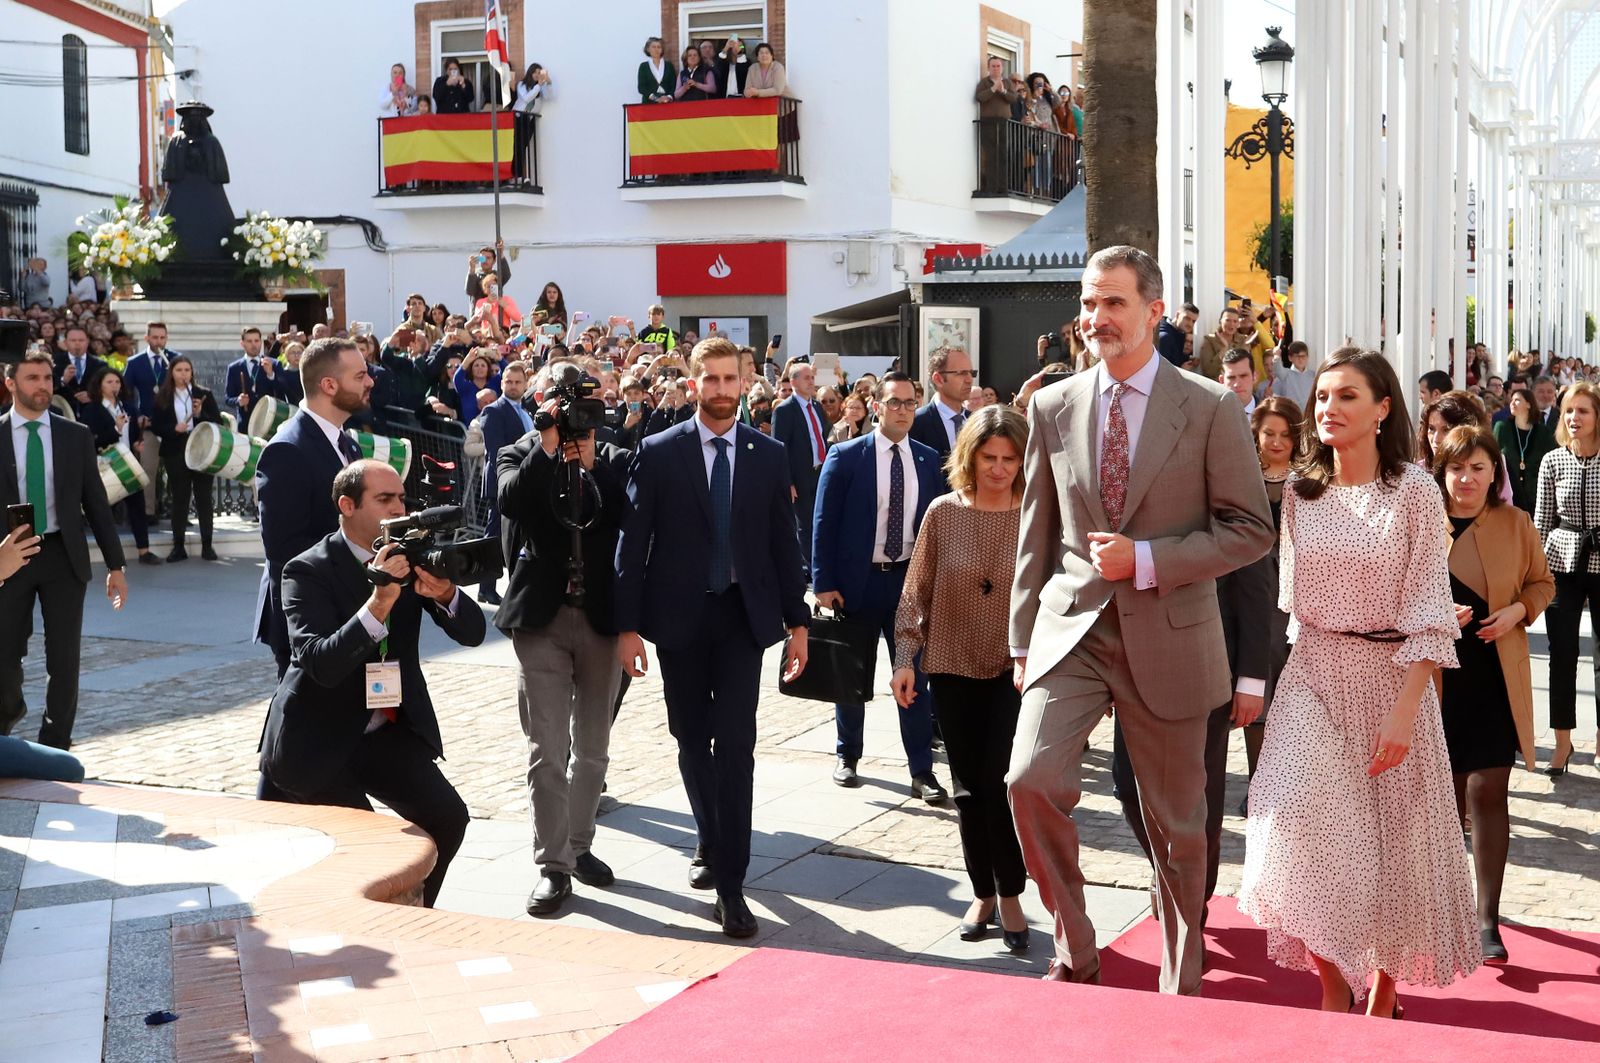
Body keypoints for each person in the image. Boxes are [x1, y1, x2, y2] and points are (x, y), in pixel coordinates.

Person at [1007, 245, 1274, 994]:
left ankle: (1180, 981)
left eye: (1113, 303)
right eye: (1089, 303)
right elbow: (1036, 532)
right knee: (1029, 778)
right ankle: (1076, 943)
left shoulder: (1211, 405)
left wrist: (1148, 559)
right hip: (1073, 630)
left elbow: (1251, 528)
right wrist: (1023, 641)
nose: (1096, 318)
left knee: (1180, 828)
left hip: (1173, 632)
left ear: (1155, 312)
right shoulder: (1054, 406)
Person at [1239, 346, 1480, 1019]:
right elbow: (1293, 607)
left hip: (1392, 677)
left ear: (1381, 409)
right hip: (1312, 673)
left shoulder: (1414, 492)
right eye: (1322, 396)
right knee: (1292, 819)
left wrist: (1406, 711)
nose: (1328, 409)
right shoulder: (1299, 494)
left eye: (1346, 396)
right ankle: (1330, 977)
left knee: (1391, 840)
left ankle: (1384, 986)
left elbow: (1431, 610)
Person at [615, 337, 809, 939]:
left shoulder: (768, 455)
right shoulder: (659, 451)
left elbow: (784, 544)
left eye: (732, 379)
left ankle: (731, 882)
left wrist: (797, 622)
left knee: (738, 744)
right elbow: (632, 544)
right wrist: (626, 628)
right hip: (679, 619)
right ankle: (709, 833)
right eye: (712, 380)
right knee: (691, 738)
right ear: (693, 382)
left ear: (746, 381)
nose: (723, 390)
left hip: (741, 620)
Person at [258, 460, 484, 907]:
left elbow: (473, 632)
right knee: (369, 851)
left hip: (383, 730)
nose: (398, 509)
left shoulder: (409, 555)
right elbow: (320, 662)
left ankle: (415, 912)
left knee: (448, 818)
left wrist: (443, 594)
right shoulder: (306, 570)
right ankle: (373, 928)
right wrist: (379, 603)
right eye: (385, 500)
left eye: (401, 498)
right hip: (316, 739)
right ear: (347, 505)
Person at [893, 404, 1031, 953]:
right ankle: (984, 892)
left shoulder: (1037, 514)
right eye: (988, 457)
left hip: (1014, 668)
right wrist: (906, 657)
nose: (998, 468)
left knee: (1002, 782)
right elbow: (915, 591)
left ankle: (1013, 893)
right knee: (968, 790)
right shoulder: (943, 513)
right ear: (969, 456)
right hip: (950, 663)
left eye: (1009, 458)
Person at [496, 372, 630, 915]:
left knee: (593, 750)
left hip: (600, 619)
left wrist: (592, 460)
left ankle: (579, 845)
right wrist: (549, 446)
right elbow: (510, 502)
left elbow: (633, 518)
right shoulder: (518, 451)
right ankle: (553, 864)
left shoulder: (615, 455)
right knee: (547, 750)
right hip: (542, 620)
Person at [1434, 425, 1553, 964]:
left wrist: (1518, 611)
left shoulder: (1515, 523)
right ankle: (1438, 906)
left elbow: (1542, 583)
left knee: (1488, 791)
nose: (1467, 478)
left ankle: (1487, 918)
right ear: (1442, 471)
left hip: (1494, 674)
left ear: (1494, 474)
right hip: (1432, 678)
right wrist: (1436, 615)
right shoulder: (1418, 521)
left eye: (1478, 468)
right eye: (1457, 468)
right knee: (1444, 798)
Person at [812, 372, 947, 801]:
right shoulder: (847, 455)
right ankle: (847, 754)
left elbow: (939, 526)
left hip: (909, 584)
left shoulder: (928, 459)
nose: (903, 410)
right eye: (894, 402)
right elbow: (823, 521)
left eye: (909, 403)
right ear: (876, 406)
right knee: (851, 673)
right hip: (857, 583)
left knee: (914, 678)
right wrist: (823, 581)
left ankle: (922, 771)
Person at [0, 351, 129, 750]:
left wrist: (116, 565)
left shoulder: (75, 435)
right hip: (11, 554)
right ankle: (6, 727)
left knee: (64, 659)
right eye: (32, 378)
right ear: (10, 384)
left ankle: (56, 742)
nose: (42, 386)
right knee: (4, 656)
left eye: (47, 378)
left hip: (63, 555)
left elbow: (95, 501)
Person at [255, 338, 374, 680]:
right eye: (360, 375)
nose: (370, 382)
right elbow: (284, 549)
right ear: (329, 385)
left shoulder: (346, 442)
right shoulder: (287, 450)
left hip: (348, 616)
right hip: (311, 622)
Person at [1533, 380, 1600, 776]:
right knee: (1561, 654)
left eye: (1584, 411)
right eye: (1569, 411)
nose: (1575, 418)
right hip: (1562, 562)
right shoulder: (1552, 462)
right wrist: (1535, 574)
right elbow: (1542, 522)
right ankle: (1562, 741)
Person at [1241, 397, 1302, 783]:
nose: (1277, 442)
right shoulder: (1243, 475)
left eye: (1285, 434)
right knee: (1256, 689)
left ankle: (1294, 784)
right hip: (1253, 594)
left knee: (1294, 692)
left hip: (1300, 593)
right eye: (1269, 433)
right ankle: (1258, 782)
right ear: (1257, 434)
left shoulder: (1311, 479)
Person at [80, 367, 158, 566]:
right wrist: (116, 428)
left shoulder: (128, 407)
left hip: (128, 464)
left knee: (137, 507)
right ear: (99, 386)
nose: (114, 386)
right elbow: (92, 439)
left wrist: (135, 444)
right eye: (109, 382)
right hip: (105, 465)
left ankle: (144, 550)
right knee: (103, 512)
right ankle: (110, 557)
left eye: (117, 382)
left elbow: (130, 435)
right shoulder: (93, 410)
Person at [148, 355, 221, 562]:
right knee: (180, 499)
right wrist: (173, 429)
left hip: (201, 451)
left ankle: (207, 545)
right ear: (172, 372)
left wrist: (199, 415)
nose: (183, 374)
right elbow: (156, 425)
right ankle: (178, 546)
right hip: (175, 451)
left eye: (187, 370)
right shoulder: (163, 396)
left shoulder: (203, 394)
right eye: (179, 370)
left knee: (204, 498)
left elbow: (216, 421)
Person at [475, 361, 534, 606]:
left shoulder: (527, 411)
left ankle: (518, 588)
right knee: (495, 536)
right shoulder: (493, 411)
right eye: (508, 382)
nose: (512, 386)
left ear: (525, 384)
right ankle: (486, 587)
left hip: (524, 484)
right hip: (502, 482)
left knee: (517, 537)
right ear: (501, 384)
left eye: (517, 382)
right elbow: (497, 450)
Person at [771, 359, 829, 569]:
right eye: (806, 378)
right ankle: (811, 568)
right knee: (805, 525)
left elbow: (823, 436)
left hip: (821, 472)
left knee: (822, 521)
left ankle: (821, 563)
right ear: (793, 382)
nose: (811, 382)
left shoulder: (816, 407)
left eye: (812, 378)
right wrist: (788, 482)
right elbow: (780, 447)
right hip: (800, 476)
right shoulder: (785, 410)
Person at [1493, 386, 1556, 516]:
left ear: (1528, 404)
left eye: (1517, 400)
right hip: (1509, 495)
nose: (1512, 403)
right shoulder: (1502, 428)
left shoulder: (1543, 432)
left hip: (1536, 496)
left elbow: (1553, 462)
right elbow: (1494, 458)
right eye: (1511, 400)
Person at [909, 347, 975, 464]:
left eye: (971, 373)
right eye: (962, 373)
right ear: (938, 379)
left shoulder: (975, 421)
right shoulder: (916, 423)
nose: (969, 379)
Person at [975, 57, 1020, 194]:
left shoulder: (1007, 82)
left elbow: (1013, 98)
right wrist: (993, 89)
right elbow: (980, 97)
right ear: (989, 68)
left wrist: (1003, 91)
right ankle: (991, 187)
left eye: (998, 66)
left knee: (1003, 154)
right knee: (990, 155)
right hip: (988, 123)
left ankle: (1003, 187)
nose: (996, 68)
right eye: (993, 66)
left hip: (1004, 122)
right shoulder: (984, 82)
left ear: (1002, 68)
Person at [223, 327, 282, 429]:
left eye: (256, 341)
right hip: (245, 425)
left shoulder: (274, 364)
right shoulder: (234, 368)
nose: (254, 344)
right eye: (249, 341)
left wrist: (271, 375)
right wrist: (238, 401)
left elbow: (281, 393)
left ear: (261, 342)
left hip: (269, 424)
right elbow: (228, 399)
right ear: (242, 343)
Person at [53, 325, 106, 416]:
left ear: (87, 342)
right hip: (63, 414)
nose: (77, 343)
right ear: (65, 342)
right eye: (73, 340)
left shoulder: (100, 364)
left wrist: (92, 395)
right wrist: (63, 380)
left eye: (81, 340)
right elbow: (49, 388)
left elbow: (107, 389)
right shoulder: (54, 362)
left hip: (92, 414)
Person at [1195, 307, 1241, 383]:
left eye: (1235, 321)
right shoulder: (1210, 340)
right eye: (1227, 320)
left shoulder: (1243, 340)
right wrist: (1224, 349)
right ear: (1220, 321)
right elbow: (1208, 371)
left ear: (1238, 324)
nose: (1231, 324)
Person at [1269, 340, 1315, 412]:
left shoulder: (1312, 375)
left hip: (1308, 416)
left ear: (1307, 357)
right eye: (1297, 356)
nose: (1300, 359)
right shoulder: (1286, 374)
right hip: (1292, 415)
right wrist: (1276, 356)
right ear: (1290, 358)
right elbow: (1277, 369)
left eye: (1303, 356)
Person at [1220, 348, 1258, 415]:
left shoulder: (1270, 415)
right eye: (1231, 377)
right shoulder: (1211, 417)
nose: (1237, 384)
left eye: (1243, 376)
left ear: (1254, 377)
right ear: (1222, 381)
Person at [639, 37, 676, 103]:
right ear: (648, 49)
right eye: (653, 47)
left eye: (659, 47)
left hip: (667, 103)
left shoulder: (669, 66)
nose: (656, 49)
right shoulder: (643, 66)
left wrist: (669, 97)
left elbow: (673, 85)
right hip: (649, 104)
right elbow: (641, 88)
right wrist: (656, 98)